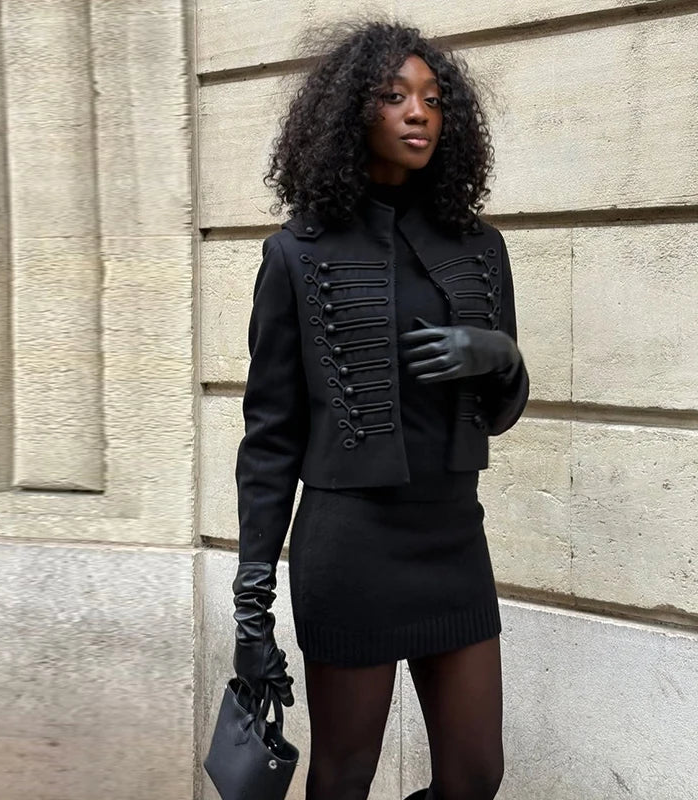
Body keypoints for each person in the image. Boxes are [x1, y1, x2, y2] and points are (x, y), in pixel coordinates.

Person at [230, 20, 529, 800]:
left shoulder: (480, 247)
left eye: (432, 99)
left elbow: (498, 411)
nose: (418, 113)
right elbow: (270, 436)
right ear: (351, 114)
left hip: (454, 537)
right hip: (350, 546)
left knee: (474, 776)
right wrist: (252, 607)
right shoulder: (297, 253)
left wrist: (501, 357)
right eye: (393, 97)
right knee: (343, 778)